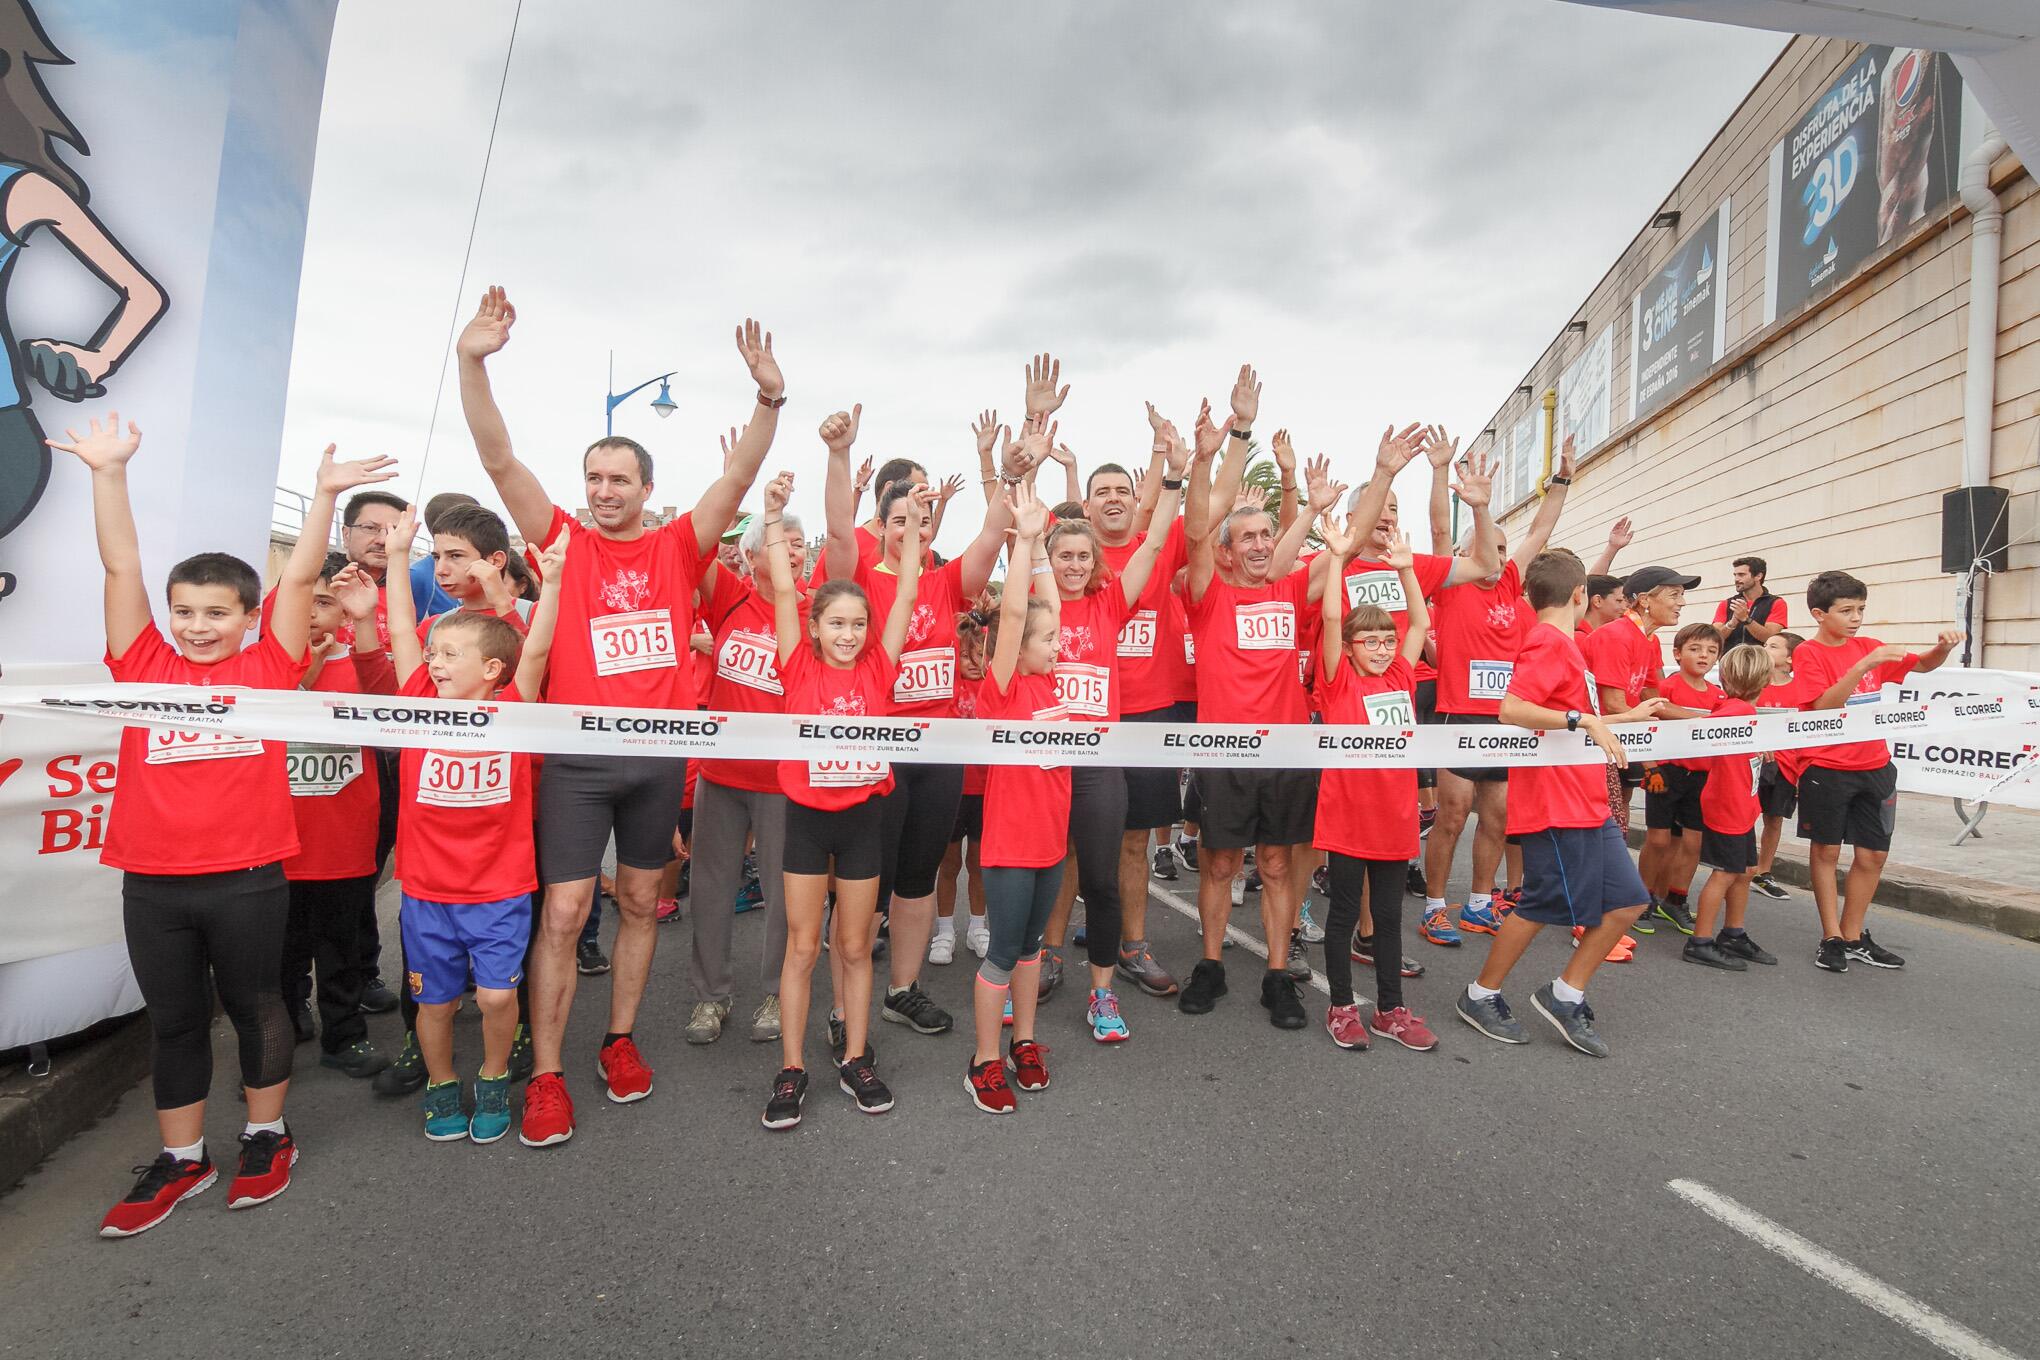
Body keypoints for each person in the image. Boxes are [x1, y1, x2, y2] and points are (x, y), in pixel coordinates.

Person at [458, 286, 783, 1146]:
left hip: (658, 764)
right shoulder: (563, 540)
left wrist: (767, 400)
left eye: (618, 479)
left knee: (641, 905)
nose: (602, 491)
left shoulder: (681, 547)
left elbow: (740, 476)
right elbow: (499, 461)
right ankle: (549, 1075)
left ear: (647, 487)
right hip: (577, 764)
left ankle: (619, 1041)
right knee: (565, 914)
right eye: (593, 478)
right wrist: (472, 361)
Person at [65, 416, 396, 1237]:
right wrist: (108, 472)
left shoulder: (269, 668)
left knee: (258, 1005)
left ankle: (265, 1133)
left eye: (217, 612)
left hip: (249, 875)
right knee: (175, 1021)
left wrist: (324, 496)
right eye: (185, 611)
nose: (198, 625)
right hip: (151, 881)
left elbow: (304, 575)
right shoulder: (141, 665)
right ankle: (183, 1158)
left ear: (251, 616)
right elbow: (120, 563)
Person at [820, 394, 1033, 1041]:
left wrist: (1012, 464)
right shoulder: (860, 581)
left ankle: (902, 990)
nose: (913, 526)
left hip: (937, 754)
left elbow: (996, 534)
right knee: (863, 886)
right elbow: (834, 533)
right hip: (876, 753)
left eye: (924, 516)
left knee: (916, 879)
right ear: (880, 525)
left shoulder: (945, 584)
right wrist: (838, 455)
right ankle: (840, 1007)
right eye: (901, 518)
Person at [762, 440, 932, 1130]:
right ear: (813, 627)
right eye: (836, 622)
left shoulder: (879, 666)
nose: (849, 633)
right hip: (805, 815)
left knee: (856, 947)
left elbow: (910, 589)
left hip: (863, 816)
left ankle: (857, 1057)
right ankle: (793, 1066)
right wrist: (772, 518)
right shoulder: (796, 664)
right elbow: (780, 585)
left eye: (859, 624)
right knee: (804, 947)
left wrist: (915, 528)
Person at [385, 508, 563, 1143]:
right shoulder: (414, 706)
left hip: (500, 891)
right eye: (434, 654)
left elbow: (535, 645)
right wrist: (397, 555)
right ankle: (440, 1083)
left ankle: (491, 1076)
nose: (434, 663)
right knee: (434, 1002)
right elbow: (403, 626)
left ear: (492, 671)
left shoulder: (516, 709)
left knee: (492, 999)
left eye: (451, 655)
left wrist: (557, 580)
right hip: (427, 892)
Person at [1455, 552, 1669, 1058]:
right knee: (1538, 906)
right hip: (1555, 803)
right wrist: (1587, 720)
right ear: (1579, 595)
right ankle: (1479, 995)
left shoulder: (1568, 644)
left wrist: (1622, 717)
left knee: (1628, 900)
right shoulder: (1550, 641)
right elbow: (1512, 708)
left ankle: (1565, 993)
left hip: (1585, 798)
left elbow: (1572, 718)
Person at [1032, 429, 1185, 1038]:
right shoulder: (1041, 603)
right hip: (1047, 757)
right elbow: (1030, 549)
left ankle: (1102, 992)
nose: (1073, 566)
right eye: (1062, 557)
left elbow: (1152, 543)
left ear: (1097, 564)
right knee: (1053, 859)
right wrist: (1024, 464)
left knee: (1102, 871)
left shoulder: (1109, 604)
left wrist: (1172, 476)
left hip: (1100, 758)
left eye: (1083, 558)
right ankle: (1045, 955)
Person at [1422, 447, 1575, 943]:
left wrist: (1561, 481)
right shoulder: (1453, 585)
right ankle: (1434, 905)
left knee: (1499, 817)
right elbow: (1441, 532)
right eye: (1491, 547)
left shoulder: (1511, 585)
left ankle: (1481, 902)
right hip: (1459, 718)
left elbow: (1541, 533)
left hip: (1505, 722)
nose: (1501, 556)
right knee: (1451, 815)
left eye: (1506, 550)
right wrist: (1446, 478)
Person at [683, 479, 806, 1048]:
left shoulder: (817, 611)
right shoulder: (728, 594)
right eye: (783, 540)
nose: (796, 551)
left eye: (802, 542)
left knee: (786, 894)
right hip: (722, 777)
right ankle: (711, 996)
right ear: (753, 553)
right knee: (711, 889)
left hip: (785, 782)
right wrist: (734, 478)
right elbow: (695, 545)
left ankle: (777, 992)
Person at [1789, 571, 1962, 972]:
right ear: (1819, 614)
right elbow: (1824, 708)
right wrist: (1862, 664)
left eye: (1861, 609)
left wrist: (1942, 649)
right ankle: (1830, 936)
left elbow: (1921, 666)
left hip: (1876, 765)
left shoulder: (1871, 646)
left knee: (1873, 856)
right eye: (1846, 610)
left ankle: (1854, 935)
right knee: (1827, 851)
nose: (1856, 618)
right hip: (1826, 766)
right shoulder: (1809, 653)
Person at [966, 483, 1074, 1113]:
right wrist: (1025, 541)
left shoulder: (1050, 679)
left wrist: (1038, 556)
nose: (1058, 647)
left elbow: (1044, 607)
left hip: (1049, 843)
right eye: (1048, 641)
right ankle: (983, 1059)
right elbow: (1015, 618)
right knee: (1004, 953)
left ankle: (1024, 1041)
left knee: (1033, 950)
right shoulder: (1003, 691)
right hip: (1009, 845)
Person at [1313, 513, 1436, 1052]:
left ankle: (1390, 1009)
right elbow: (1332, 619)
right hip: (1346, 817)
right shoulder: (1337, 680)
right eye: (1371, 641)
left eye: (1388, 640)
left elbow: (1421, 627)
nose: (1384, 648)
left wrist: (1407, 571)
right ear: (1352, 645)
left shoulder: (1401, 677)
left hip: (1394, 819)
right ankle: (1341, 1006)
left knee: (1388, 917)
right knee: (1343, 915)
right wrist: (1337, 558)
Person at [1084, 409, 1193, 998]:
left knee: (1133, 839)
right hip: (1084, 715)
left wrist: (1176, 469)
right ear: (1086, 504)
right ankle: (1050, 951)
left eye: (1122, 490)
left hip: (1150, 712)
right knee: (1072, 838)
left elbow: (1187, 517)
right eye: (1101, 493)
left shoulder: (1157, 545)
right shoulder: (1072, 559)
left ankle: (1132, 945)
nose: (1113, 499)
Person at [279, 553, 395, 1080]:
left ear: (344, 613)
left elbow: (395, 710)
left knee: (342, 948)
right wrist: (305, 675)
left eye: (323, 602)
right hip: (276, 842)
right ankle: (280, 1032)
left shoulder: (362, 666)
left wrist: (366, 624)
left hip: (344, 838)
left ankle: (344, 1035)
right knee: (278, 952)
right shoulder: (259, 665)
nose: (308, 612)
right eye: (298, 598)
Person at [1580, 564, 1698, 876]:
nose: (1682, 603)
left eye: (1682, 595)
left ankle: (1604, 899)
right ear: (1644, 599)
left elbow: (1651, 699)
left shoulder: (1647, 640)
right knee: (1600, 828)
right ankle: (1590, 902)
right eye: (1675, 594)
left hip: (1624, 744)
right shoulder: (1616, 635)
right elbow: (1613, 704)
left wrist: (1706, 719)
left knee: (1615, 827)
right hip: (1594, 746)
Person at [1682, 645, 1780, 970]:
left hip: (1741, 803)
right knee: (1724, 873)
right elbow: (1708, 739)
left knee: (1745, 871)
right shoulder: (1735, 712)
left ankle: (1733, 933)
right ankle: (1700, 940)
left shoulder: (1739, 710)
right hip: (1727, 804)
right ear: (1764, 679)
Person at [1640, 621, 1726, 934]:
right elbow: (1644, 730)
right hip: (1666, 773)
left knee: (1693, 842)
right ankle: (1643, 899)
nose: (1703, 655)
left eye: (1711, 651)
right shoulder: (1665, 689)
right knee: (1659, 839)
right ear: (1677, 654)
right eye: (1695, 649)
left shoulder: (1719, 696)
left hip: (1702, 777)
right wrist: (1650, 767)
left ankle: (1674, 900)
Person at [932, 601, 992, 962]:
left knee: (980, 864)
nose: (973, 662)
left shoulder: (995, 688)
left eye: (980, 655)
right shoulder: (947, 690)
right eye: (965, 655)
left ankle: (978, 927)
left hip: (988, 791)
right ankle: (943, 931)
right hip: (953, 789)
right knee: (949, 863)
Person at [1749, 631, 1806, 899]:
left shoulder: (1802, 689)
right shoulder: (1753, 685)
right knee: (1746, 815)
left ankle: (1763, 871)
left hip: (1786, 766)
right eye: (1765, 644)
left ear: (1790, 658)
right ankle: (1744, 865)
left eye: (1773, 646)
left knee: (1774, 818)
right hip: (1755, 762)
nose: (1765, 648)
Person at [1713, 555, 1787, 652]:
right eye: (1735, 575)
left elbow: (1770, 638)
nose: (1736, 579)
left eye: (1741, 575)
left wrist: (1746, 619)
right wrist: (1731, 624)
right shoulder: (1726, 604)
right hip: (1729, 664)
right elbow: (1714, 639)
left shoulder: (1776, 603)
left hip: (1759, 664)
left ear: (1758, 576)